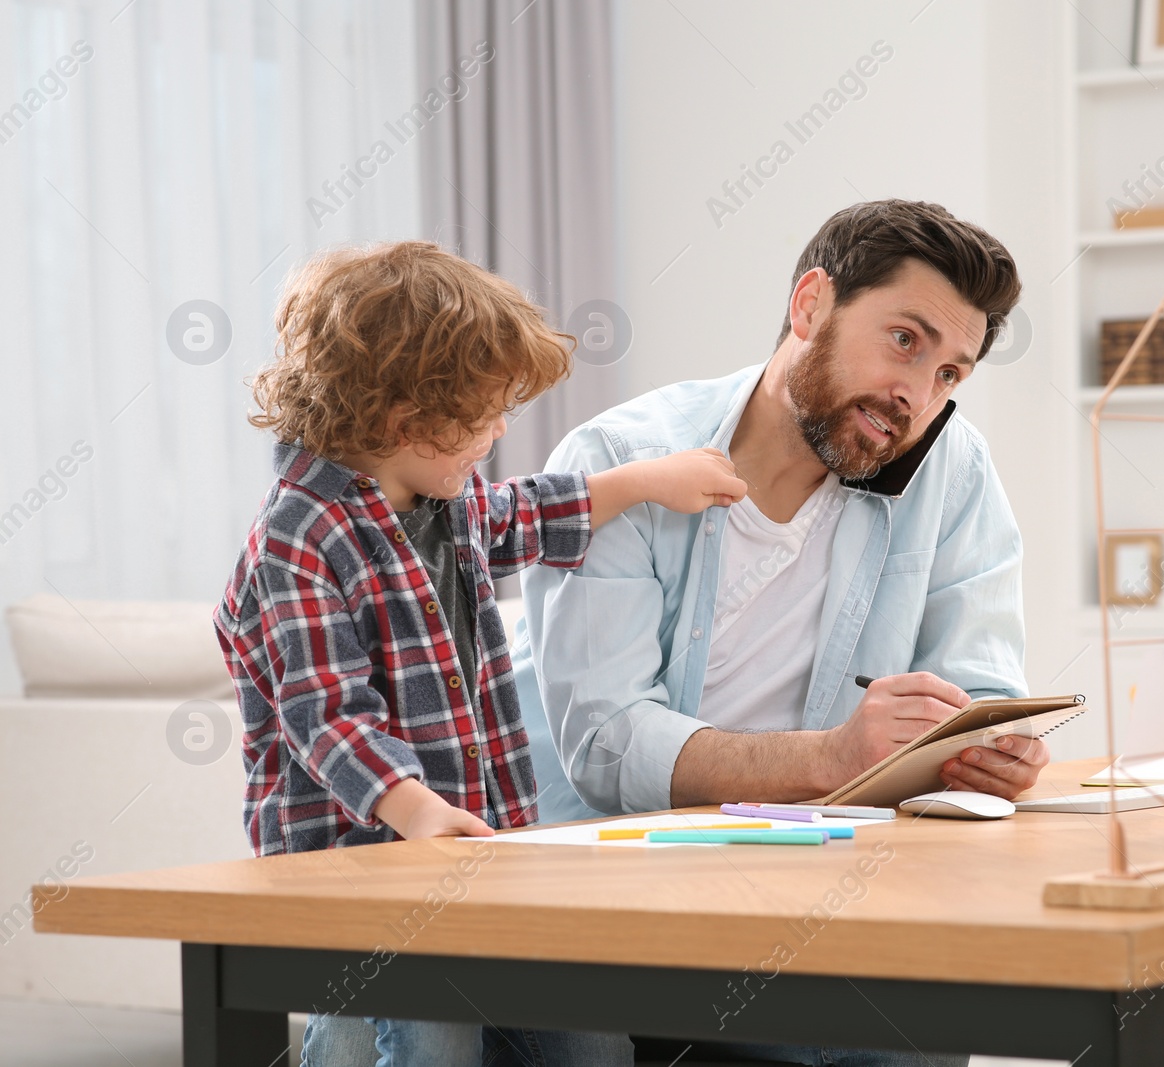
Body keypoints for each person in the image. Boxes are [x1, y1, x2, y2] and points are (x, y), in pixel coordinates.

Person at [513, 200, 1043, 1066]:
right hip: (606, 886)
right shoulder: (619, 461)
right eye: (904, 340)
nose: (919, 396)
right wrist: (834, 759)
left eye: (951, 372)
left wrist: (987, 744)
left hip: (810, 882)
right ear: (809, 306)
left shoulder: (952, 468)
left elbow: (978, 683)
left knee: (925, 1031)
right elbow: (607, 748)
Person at [214, 241, 745, 1067]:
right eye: (480, 417)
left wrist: (645, 480)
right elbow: (326, 717)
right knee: (426, 1040)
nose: (498, 434)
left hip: (477, 855)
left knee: (590, 1041)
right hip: (359, 871)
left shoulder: (442, 499)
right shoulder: (297, 538)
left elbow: (524, 515)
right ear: (400, 417)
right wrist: (415, 807)